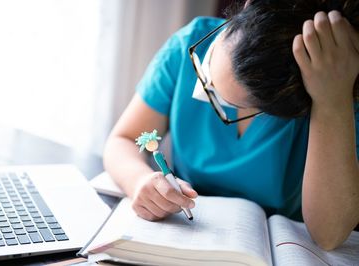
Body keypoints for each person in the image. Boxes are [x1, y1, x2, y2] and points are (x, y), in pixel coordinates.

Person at [103, 0, 359, 250]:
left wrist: (332, 102)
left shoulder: (334, 93)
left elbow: (329, 236)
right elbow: (123, 139)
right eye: (208, 68)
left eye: (223, 102)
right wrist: (138, 181)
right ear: (247, 8)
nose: (203, 88)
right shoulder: (188, 44)